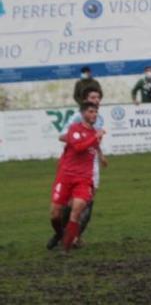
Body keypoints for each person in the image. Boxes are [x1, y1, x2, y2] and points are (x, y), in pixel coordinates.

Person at [48, 88, 108, 250]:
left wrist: (100, 154)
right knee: (65, 206)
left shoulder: (99, 119)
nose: (96, 100)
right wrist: (78, 141)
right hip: (72, 165)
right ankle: (64, 234)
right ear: (85, 101)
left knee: (86, 202)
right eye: (92, 97)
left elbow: (95, 141)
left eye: (98, 98)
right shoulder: (76, 118)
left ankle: (74, 237)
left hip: (90, 166)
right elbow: (64, 137)